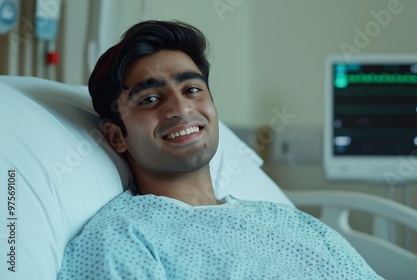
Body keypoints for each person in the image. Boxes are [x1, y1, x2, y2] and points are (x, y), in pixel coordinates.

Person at [57, 20, 382, 279]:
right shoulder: (123, 238)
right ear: (116, 137)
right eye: (150, 99)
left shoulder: (289, 221)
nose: (181, 109)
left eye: (192, 89)